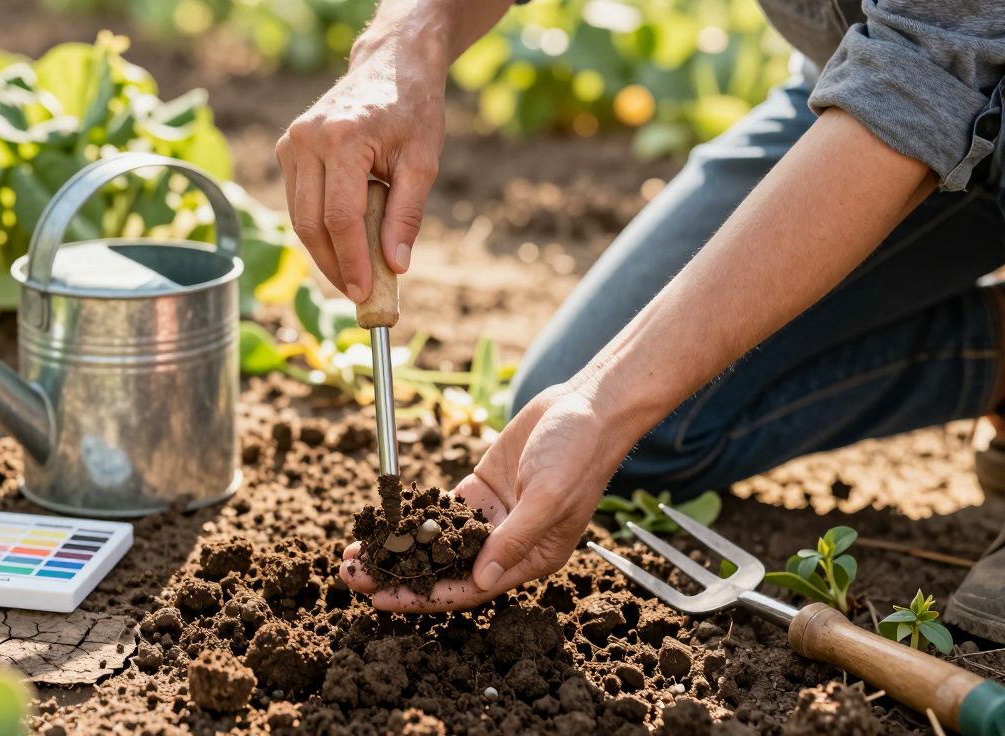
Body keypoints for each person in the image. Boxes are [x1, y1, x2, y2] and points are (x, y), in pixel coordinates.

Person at [275, 0, 1005, 641]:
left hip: (927, 82)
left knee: (614, 402)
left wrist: (606, 399)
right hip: (862, 79)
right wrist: (411, 35)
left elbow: (928, 67)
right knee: (612, 429)